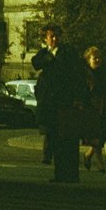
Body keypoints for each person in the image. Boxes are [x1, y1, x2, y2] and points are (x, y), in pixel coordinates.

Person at [32, 24, 88, 183]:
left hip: (66, 101)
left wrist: (78, 98)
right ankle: (60, 173)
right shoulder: (45, 54)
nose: (55, 39)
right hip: (50, 104)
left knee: (69, 140)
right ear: (45, 39)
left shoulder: (68, 52)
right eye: (51, 36)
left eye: (56, 36)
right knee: (56, 140)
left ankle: (72, 174)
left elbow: (77, 75)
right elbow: (36, 62)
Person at [80, 46, 106, 173]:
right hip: (90, 108)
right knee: (96, 136)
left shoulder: (102, 72)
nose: (97, 60)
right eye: (94, 58)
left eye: (98, 58)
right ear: (88, 59)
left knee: (101, 136)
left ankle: (88, 155)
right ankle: (100, 163)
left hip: (102, 107)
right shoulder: (85, 74)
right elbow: (83, 91)